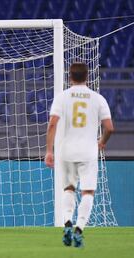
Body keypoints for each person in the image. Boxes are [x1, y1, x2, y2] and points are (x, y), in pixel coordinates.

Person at [45, 63, 114, 247]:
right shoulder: (97, 99)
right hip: (88, 151)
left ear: (70, 77)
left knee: (68, 188)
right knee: (88, 191)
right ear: (87, 77)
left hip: (66, 150)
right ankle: (79, 229)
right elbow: (109, 127)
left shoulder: (62, 98)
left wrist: (49, 150)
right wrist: (102, 142)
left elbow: (52, 124)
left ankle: (67, 222)